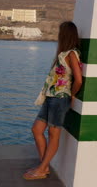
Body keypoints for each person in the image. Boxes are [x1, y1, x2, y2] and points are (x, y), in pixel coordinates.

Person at [23, 21, 83, 180]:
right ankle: (44, 166)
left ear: (65, 35)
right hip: (50, 98)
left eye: (60, 33)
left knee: (53, 134)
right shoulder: (62, 54)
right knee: (36, 130)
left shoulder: (71, 54)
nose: (58, 36)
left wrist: (72, 94)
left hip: (60, 99)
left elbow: (78, 80)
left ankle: (42, 169)